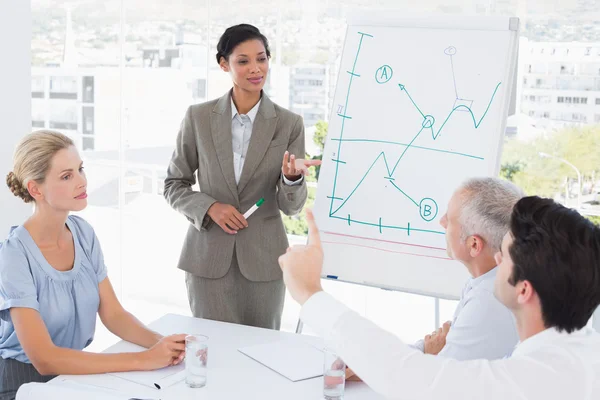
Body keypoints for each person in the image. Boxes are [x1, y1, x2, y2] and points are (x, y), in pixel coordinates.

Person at [279, 197, 600, 400]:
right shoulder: (580, 347)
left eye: (503, 255)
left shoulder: (527, 384)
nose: (496, 261)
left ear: (524, 290)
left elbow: (409, 377)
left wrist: (309, 292)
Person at [0, 131, 187, 400]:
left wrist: (165, 344)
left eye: (80, 169)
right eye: (67, 176)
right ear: (35, 189)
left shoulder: (83, 233)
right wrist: (144, 359)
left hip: (73, 373)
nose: (82, 181)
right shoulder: (14, 255)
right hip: (24, 382)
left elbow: (114, 315)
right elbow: (44, 359)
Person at [164, 24, 320, 330]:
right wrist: (209, 207)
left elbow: (291, 208)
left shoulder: (289, 124)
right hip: (208, 261)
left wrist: (291, 180)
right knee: (212, 352)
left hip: (265, 263)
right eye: (243, 61)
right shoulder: (198, 118)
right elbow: (174, 184)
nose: (255, 68)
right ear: (224, 64)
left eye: (261, 59)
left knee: (263, 353)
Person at [345, 178, 523, 381]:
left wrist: (428, 355)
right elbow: (440, 346)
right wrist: (371, 363)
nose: (442, 221)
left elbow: (439, 383)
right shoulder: (489, 279)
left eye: (451, 219)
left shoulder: (489, 300)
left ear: (474, 245)